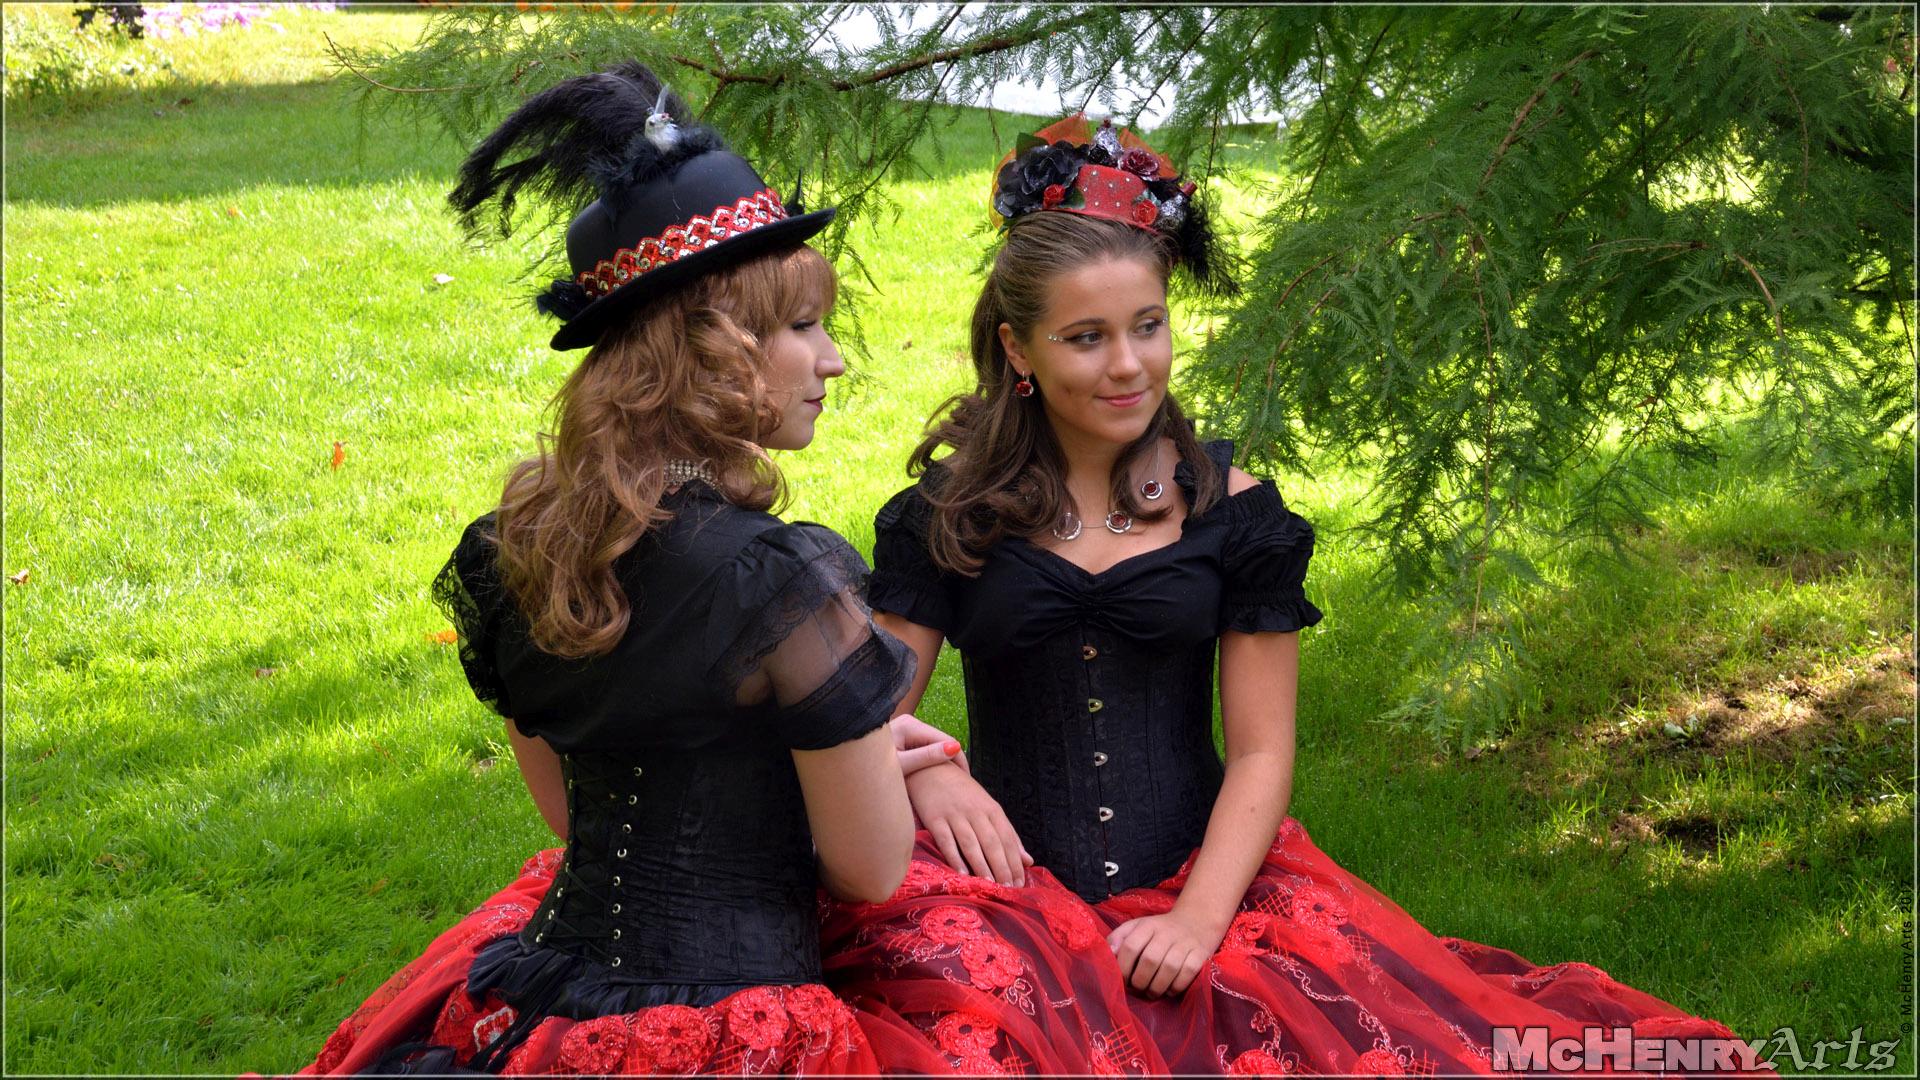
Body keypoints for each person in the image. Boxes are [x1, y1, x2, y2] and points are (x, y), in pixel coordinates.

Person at [823, 115, 1763, 1075]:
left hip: (1200, 879)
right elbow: (863, 720)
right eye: (1086, 338)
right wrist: (929, 770)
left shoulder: (1234, 518)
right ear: (1019, 349)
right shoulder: (949, 516)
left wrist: (1195, 923)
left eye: (1148, 325)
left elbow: (1263, 752)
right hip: (1008, 899)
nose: (1129, 364)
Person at [297, 63, 930, 1076]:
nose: (832, 360)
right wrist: (891, 763)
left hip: (545, 1000)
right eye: (802, 327)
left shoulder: (512, 551)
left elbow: (568, 811)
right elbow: (871, 868)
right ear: (715, 350)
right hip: (733, 1027)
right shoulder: (783, 579)